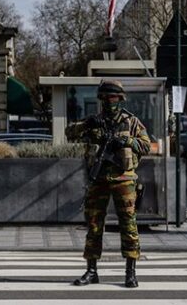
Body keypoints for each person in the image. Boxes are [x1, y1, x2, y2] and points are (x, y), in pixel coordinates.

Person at [65, 80, 151, 288]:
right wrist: (87, 125)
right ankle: (91, 270)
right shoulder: (95, 120)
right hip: (99, 179)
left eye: (112, 97)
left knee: (128, 225)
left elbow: (147, 145)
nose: (108, 101)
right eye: (105, 97)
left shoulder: (131, 121)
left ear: (120, 99)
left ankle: (130, 272)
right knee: (94, 224)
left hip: (124, 179)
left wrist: (128, 142)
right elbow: (69, 133)